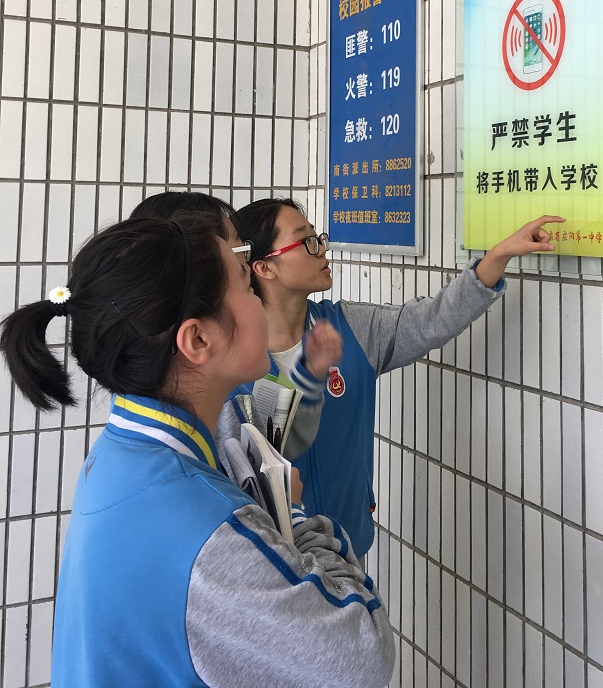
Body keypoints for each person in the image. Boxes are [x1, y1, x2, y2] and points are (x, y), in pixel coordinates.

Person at [0, 213, 395, 688]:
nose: (260, 300)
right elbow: (363, 656)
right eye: (246, 286)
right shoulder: (208, 528)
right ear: (198, 339)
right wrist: (290, 516)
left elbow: (274, 424)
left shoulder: (124, 449)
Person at [237, 197, 564, 559]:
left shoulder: (349, 327)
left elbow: (430, 321)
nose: (322, 249)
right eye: (306, 241)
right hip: (273, 557)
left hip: (347, 547)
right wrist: (308, 376)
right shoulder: (236, 360)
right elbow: (268, 447)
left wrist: (497, 256)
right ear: (264, 268)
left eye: (318, 237)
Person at [130, 191, 342, 461]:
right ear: (196, 338)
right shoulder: (179, 466)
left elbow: (273, 452)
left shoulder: (150, 417)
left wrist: (310, 381)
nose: (251, 275)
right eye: (242, 264)